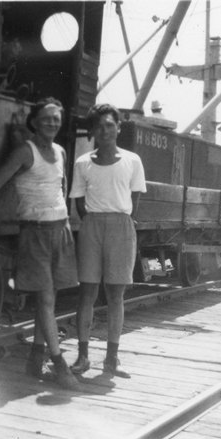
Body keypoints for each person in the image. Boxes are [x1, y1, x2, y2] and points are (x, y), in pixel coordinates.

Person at [0, 98, 79, 389]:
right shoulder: (26, 152)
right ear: (34, 122)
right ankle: (59, 364)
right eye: (47, 118)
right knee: (46, 299)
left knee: (47, 300)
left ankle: (35, 360)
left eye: (56, 119)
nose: (53, 123)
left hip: (59, 230)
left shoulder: (61, 152)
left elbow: (58, 190)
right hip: (35, 233)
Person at [68, 103, 147, 379]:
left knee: (115, 295)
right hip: (92, 226)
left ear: (119, 128)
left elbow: (135, 198)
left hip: (121, 226)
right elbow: (78, 201)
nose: (104, 130)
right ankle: (83, 356)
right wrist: (93, 222)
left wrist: (119, 220)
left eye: (110, 125)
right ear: (92, 131)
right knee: (87, 293)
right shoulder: (83, 163)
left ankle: (111, 359)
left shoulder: (132, 161)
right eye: (99, 126)